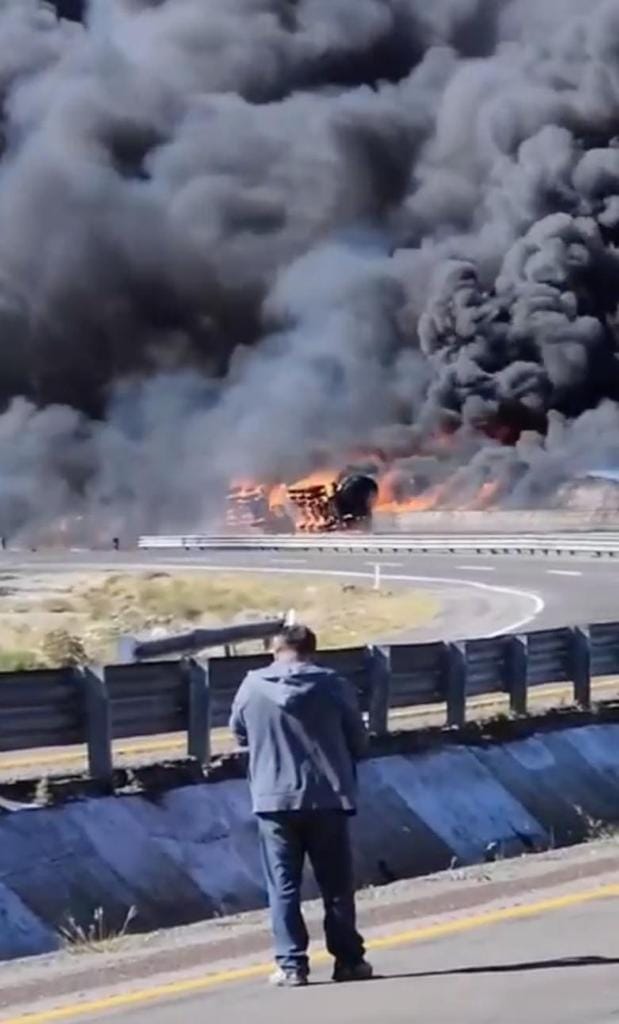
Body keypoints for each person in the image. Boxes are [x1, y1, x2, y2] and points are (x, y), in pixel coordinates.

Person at [229, 623, 372, 988]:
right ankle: (349, 962)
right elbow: (358, 739)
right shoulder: (332, 684)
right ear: (313, 649)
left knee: (283, 885)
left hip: (273, 799)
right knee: (336, 885)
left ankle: (291, 965)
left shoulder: (252, 686)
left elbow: (239, 733)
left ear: (274, 649)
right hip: (327, 796)